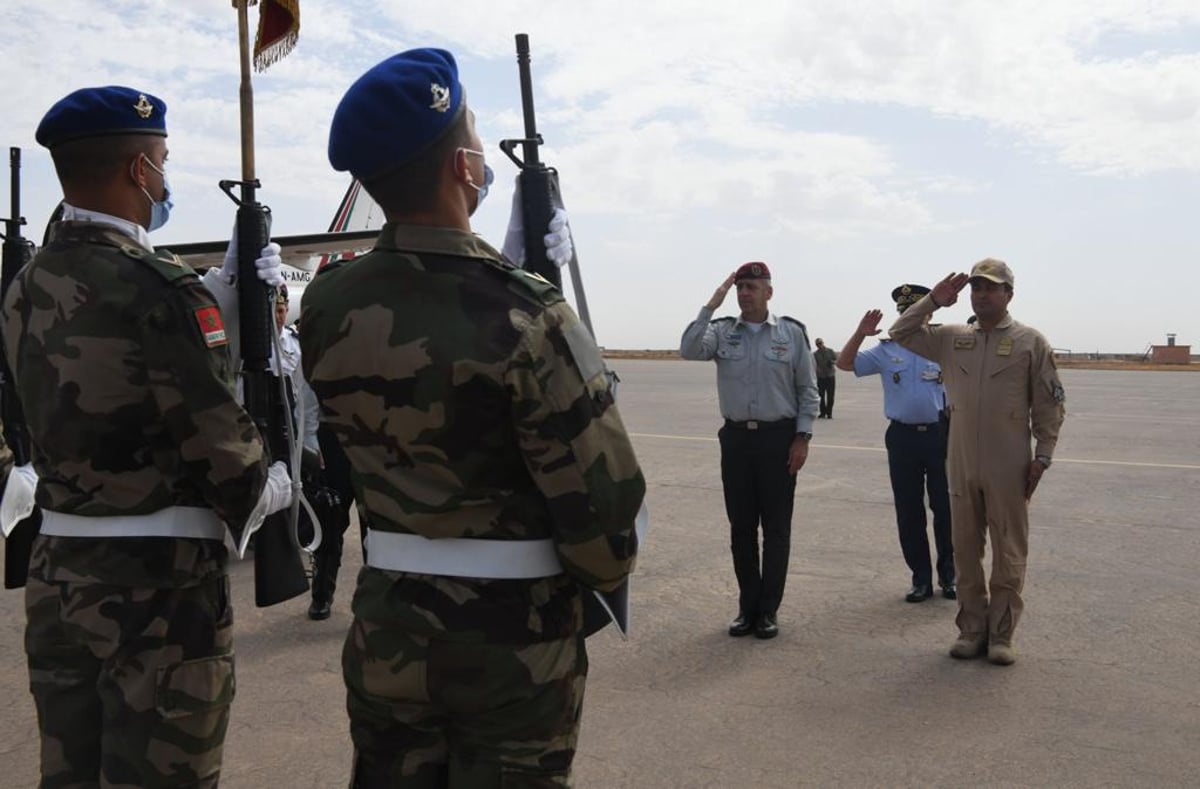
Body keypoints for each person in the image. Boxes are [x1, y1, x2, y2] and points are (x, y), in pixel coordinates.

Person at [299, 49, 645, 785]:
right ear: (462, 167)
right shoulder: (527, 311)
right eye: (479, 141)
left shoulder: (327, 304)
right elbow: (605, 516)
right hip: (511, 646)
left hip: (389, 628)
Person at [1, 85, 294, 786]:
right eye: (161, 161)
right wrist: (276, 481)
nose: (165, 178)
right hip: (156, 594)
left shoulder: (25, 287)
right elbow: (231, 466)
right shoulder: (162, 291)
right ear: (139, 171)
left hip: (59, 578)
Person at [889, 259, 1065, 666]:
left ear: (1009, 294)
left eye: (992, 287)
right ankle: (971, 629)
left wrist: (1043, 456)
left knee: (1009, 550)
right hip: (961, 459)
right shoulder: (952, 338)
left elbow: (1049, 403)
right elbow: (900, 332)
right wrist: (933, 300)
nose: (983, 294)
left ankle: (1001, 635)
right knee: (965, 549)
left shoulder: (1029, 342)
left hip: (1009, 462)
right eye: (977, 288)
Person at [680, 262, 819, 640]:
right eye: (740, 287)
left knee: (776, 529)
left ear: (768, 292)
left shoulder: (791, 333)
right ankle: (748, 606)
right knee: (741, 528)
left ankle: (769, 610)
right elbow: (689, 349)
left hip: (779, 440)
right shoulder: (723, 331)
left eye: (752, 287)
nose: (744, 293)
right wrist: (712, 303)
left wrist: (802, 438)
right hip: (738, 440)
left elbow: (808, 390)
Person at [835, 284, 954, 603]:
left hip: (941, 435)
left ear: (929, 313)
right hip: (902, 438)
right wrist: (860, 333)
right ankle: (921, 579)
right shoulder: (887, 350)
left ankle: (950, 576)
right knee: (909, 510)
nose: (909, 318)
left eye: (915, 312)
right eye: (905, 313)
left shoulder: (945, 345)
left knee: (946, 509)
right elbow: (845, 364)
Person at [812, 338, 838, 418]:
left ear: (823, 343)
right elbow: (813, 364)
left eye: (820, 343)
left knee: (830, 396)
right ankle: (822, 413)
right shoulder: (815, 354)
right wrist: (817, 369)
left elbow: (836, 360)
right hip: (821, 377)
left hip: (830, 376)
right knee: (821, 396)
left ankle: (829, 413)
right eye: (818, 344)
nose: (819, 345)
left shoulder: (830, 351)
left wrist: (832, 362)